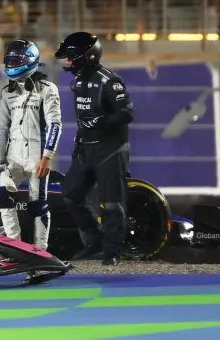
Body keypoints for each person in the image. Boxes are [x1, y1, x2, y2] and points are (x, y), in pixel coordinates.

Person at [54, 31, 134, 266]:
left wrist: (103, 122)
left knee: (111, 202)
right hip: (86, 149)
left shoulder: (110, 81)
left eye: (70, 57)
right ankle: (94, 241)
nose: (66, 62)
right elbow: (84, 119)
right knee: (70, 194)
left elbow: (127, 112)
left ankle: (112, 252)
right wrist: (79, 144)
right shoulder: (78, 81)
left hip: (110, 149)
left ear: (87, 56)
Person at [0, 40, 62, 252]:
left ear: (30, 60)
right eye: (10, 61)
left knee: (37, 205)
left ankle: (40, 252)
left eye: (16, 61)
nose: (12, 64)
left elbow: (55, 125)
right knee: (4, 197)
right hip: (12, 157)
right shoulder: (6, 93)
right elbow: (1, 128)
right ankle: (14, 248)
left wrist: (47, 157)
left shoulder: (48, 89)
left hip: (37, 157)